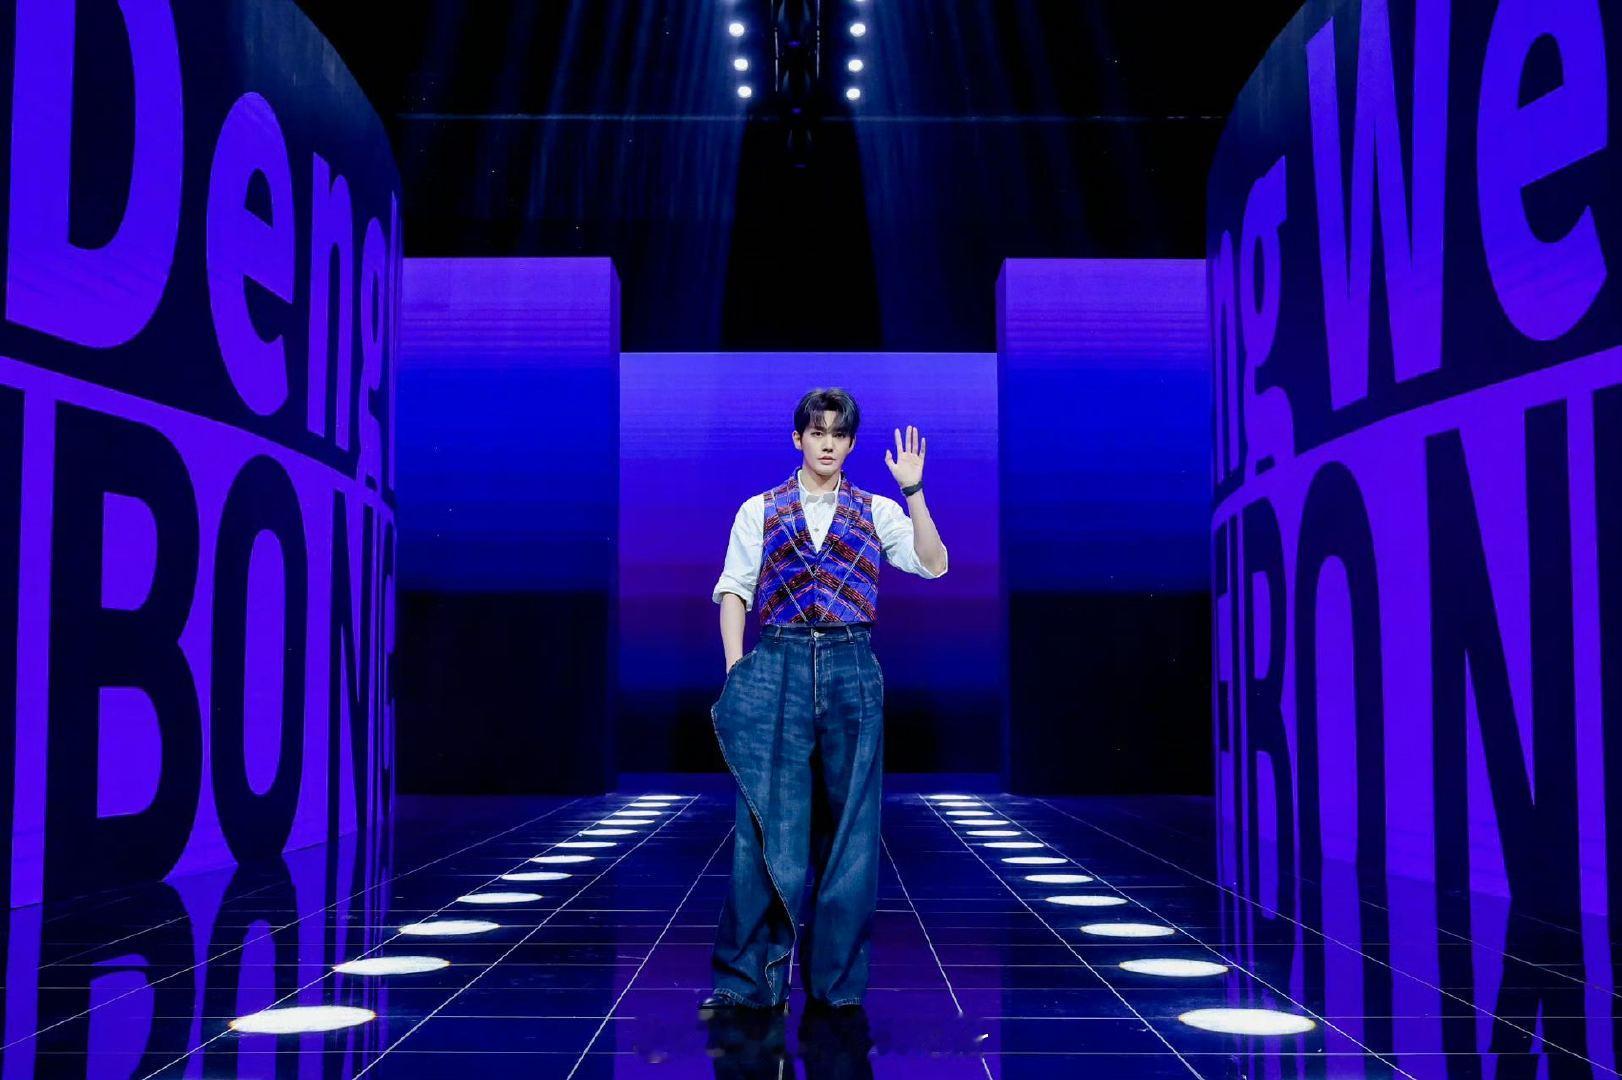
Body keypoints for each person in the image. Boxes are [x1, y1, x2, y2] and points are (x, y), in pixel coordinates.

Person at [705, 386, 949, 1011]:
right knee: (765, 821)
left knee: (852, 829)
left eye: (839, 435)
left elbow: (934, 564)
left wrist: (915, 492)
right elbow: (735, 589)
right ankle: (746, 979)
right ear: (798, 438)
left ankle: (836, 985)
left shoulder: (877, 509)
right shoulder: (760, 508)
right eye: (817, 432)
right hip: (778, 660)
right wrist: (736, 668)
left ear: (851, 443)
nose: (828, 444)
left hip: (851, 662)